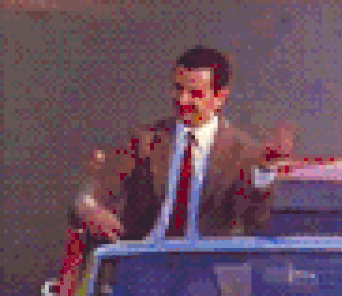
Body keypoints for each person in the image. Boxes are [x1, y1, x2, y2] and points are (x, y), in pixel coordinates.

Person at [72, 45, 294, 243]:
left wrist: (265, 170)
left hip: (207, 267)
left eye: (195, 94)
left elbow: (256, 221)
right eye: (178, 89)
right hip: (146, 261)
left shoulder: (243, 152)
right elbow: (100, 187)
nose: (182, 100)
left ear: (220, 97)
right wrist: (88, 207)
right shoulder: (144, 141)